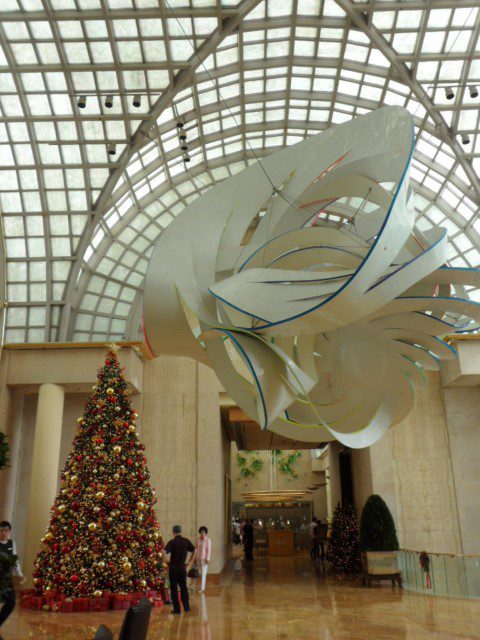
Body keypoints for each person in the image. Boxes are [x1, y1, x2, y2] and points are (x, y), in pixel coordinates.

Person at [163, 525, 196, 615]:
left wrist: (166, 562)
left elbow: (163, 551)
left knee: (174, 589)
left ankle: (177, 610)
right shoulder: (186, 541)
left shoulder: (172, 542)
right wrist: (190, 561)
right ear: (181, 531)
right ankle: (186, 607)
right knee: (183, 587)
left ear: (173, 532)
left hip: (173, 568)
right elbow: (195, 550)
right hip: (182, 567)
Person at [0, 520, 25, 628]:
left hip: (7, 578)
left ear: (9, 532)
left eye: (6, 530)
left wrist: (19, 574)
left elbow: (15, 561)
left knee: (11, 603)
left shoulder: (12, 543)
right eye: (1, 531)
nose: (3, 533)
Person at [196, 526, 212, 594]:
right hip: (198, 558)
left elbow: (209, 550)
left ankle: (202, 589)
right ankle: (192, 587)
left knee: (203, 573)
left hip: (204, 559)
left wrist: (208, 559)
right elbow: (196, 549)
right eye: (201, 532)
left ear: (205, 533)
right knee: (197, 572)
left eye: (203, 532)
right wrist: (195, 558)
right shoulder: (198, 540)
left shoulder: (208, 540)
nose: (202, 533)